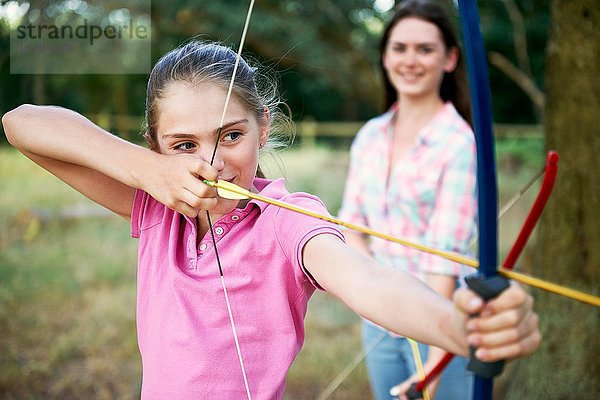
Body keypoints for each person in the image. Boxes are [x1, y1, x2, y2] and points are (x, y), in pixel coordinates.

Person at [2, 40, 540, 400]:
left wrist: (457, 327)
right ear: (155, 146)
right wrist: (149, 172)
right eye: (183, 144)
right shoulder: (156, 204)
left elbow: (369, 280)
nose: (210, 165)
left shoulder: (286, 221)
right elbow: (21, 123)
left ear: (263, 127)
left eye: (230, 136)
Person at [339, 1, 481, 399]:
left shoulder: (458, 143)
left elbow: (443, 259)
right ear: (385, 56)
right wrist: (375, 296)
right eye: (399, 48)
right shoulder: (371, 135)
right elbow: (351, 225)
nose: (410, 60)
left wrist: (435, 363)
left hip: (437, 316)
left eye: (425, 49)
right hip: (379, 320)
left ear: (449, 58)